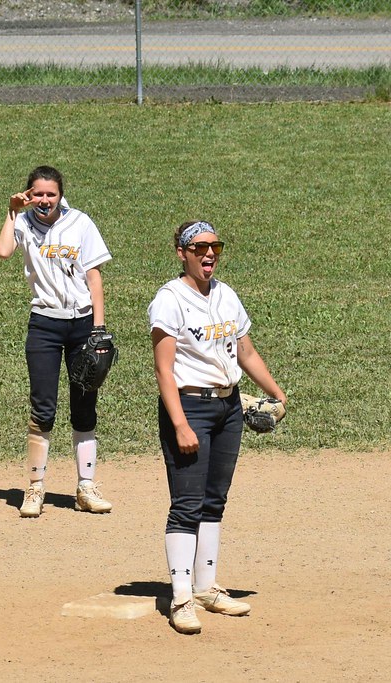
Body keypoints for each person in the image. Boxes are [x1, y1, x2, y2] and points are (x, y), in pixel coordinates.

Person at [148, 220, 287, 635]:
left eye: (215, 247)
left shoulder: (226, 295)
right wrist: (180, 424)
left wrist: (278, 394)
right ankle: (181, 598)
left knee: (214, 501)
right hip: (189, 407)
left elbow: (244, 350)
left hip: (228, 407)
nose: (209, 254)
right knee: (187, 505)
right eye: (200, 247)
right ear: (182, 252)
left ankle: (206, 587)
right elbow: (164, 369)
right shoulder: (169, 300)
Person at [0, 165, 114, 519]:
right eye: (38, 194)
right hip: (44, 324)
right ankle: (34, 488)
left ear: (61, 195)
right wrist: (11, 210)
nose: (44, 200)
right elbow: (3, 251)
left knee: (84, 404)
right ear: (28, 195)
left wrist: (98, 327)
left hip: (81, 325)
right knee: (43, 408)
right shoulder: (22, 221)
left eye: (51, 194)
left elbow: (94, 278)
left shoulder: (79, 222)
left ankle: (86, 487)